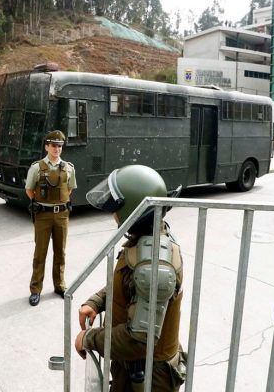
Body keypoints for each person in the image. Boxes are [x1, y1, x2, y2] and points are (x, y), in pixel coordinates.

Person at [76, 164, 186, 391]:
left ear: (133, 212)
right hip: (133, 368)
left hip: (149, 377)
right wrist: (97, 301)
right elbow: (130, 283)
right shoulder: (148, 239)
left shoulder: (155, 263)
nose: (114, 215)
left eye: (117, 209)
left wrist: (88, 338)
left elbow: (138, 339)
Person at [25, 130, 76, 306]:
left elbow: (69, 189)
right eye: (53, 145)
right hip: (43, 215)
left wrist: (58, 204)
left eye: (59, 146)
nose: (57, 149)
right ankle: (35, 289)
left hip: (62, 215)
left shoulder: (68, 168)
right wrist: (42, 203)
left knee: (60, 252)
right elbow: (29, 190)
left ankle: (59, 285)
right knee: (40, 253)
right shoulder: (36, 167)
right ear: (47, 147)